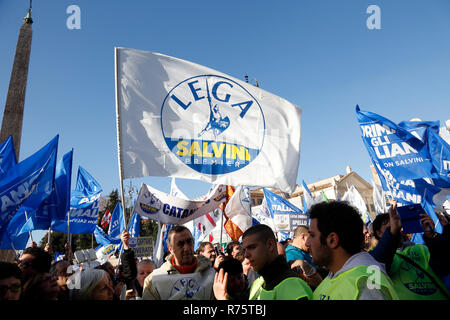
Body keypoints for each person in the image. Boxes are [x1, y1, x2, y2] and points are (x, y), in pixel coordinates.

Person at [306, 201, 398, 300]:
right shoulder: (329, 280)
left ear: (332, 240)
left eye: (312, 235)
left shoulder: (365, 284)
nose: (307, 243)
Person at [371, 201, 450, 300]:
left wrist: (431, 237)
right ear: (379, 233)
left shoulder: (420, 248)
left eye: (397, 223)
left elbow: (444, 267)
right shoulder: (373, 258)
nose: (396, 226)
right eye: (389, 225)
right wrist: (392, 233)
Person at [216, 224, 313, 300]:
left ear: (270, 245)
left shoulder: (293, 286)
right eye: (245, 249)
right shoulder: (257, 283)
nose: (246, 255)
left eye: (252, 247)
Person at [142, 225, 215, 300]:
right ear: (170, 249)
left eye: (189, 241)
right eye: (180, 244)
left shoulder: (212, 275)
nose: (186, 248)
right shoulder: (153, 280)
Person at [285, 226, 323, 290]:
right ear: (303, 237)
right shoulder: (292, 254)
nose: (310, 243)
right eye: (310, 238)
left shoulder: (302, 252)